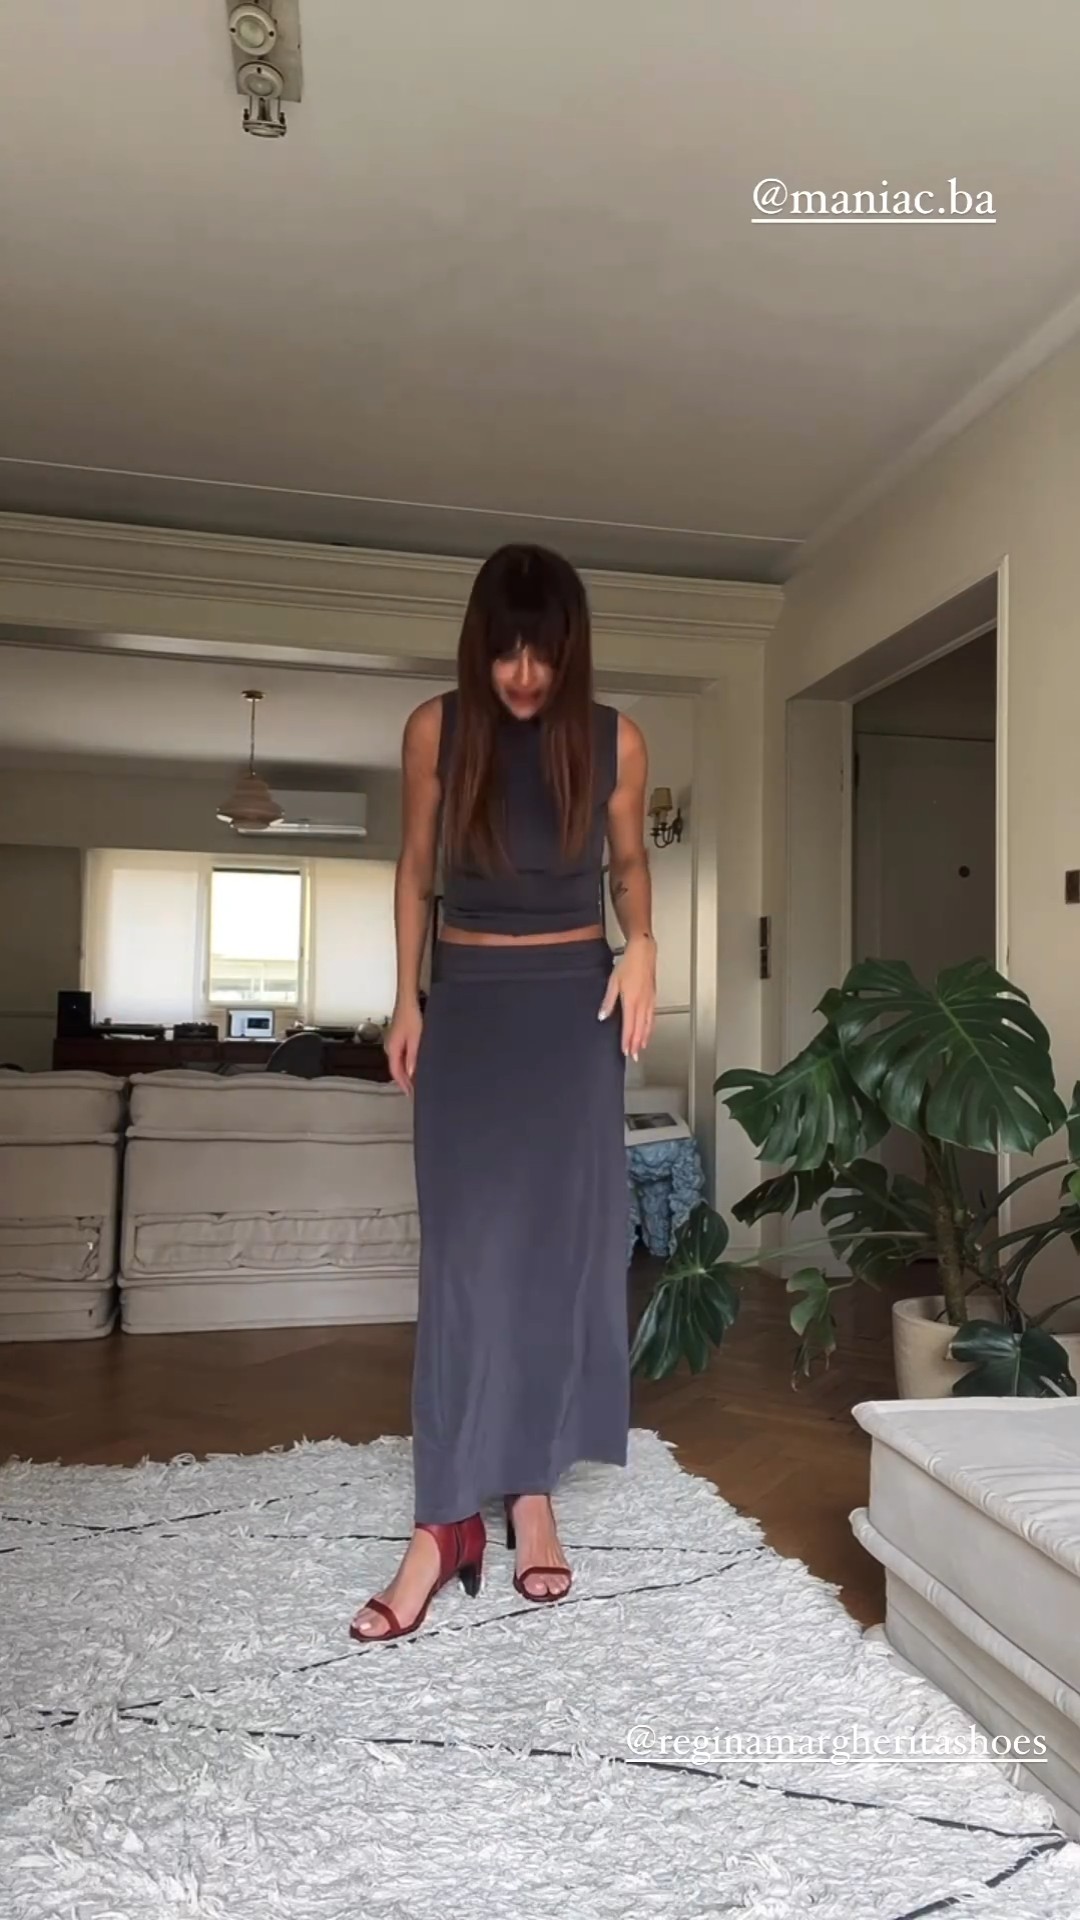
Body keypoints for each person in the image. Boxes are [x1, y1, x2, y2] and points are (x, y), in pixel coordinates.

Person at [350, 544, 655, 1641]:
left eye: (543, 655)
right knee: (464, 1259)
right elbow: (414, 867)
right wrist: (406, 998)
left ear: (571, 652)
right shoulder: (437, 729)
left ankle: (531, 1494)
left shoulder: (615, 739)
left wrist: (644, 943)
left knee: (557, 1256)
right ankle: (442, 1521)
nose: (523, 675)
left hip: (573, 1012)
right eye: (505, 652)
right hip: (470, 1007)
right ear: (479, 645)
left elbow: (629, 863)